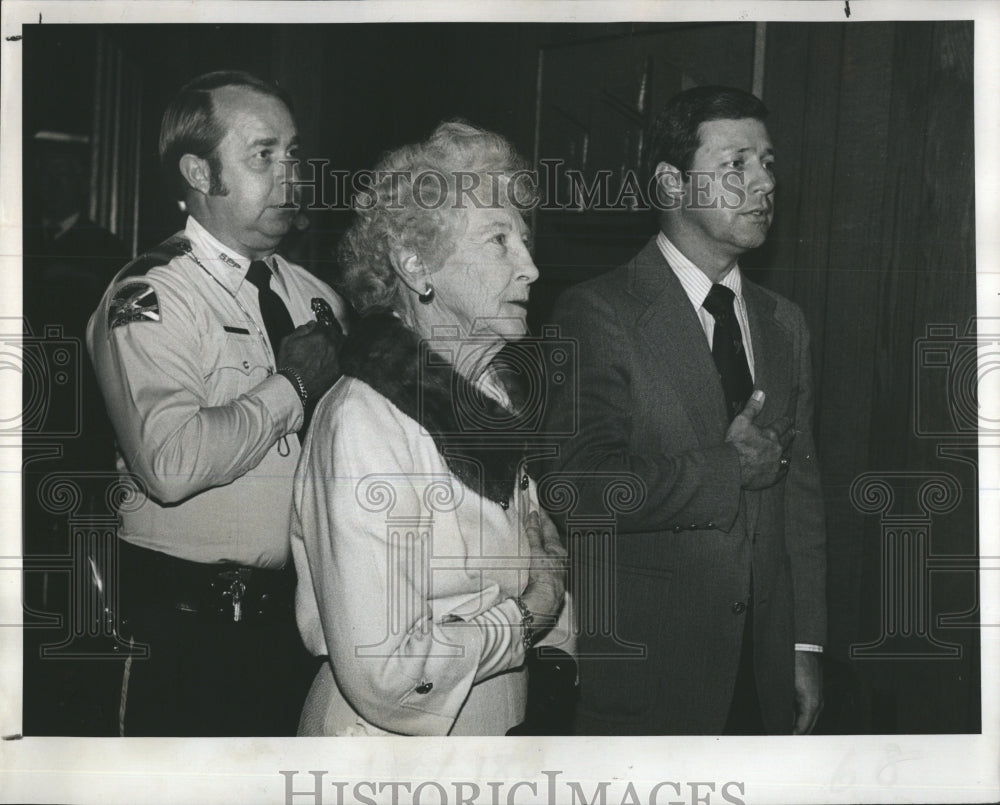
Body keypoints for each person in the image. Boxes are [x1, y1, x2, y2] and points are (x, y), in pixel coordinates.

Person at [542, 86, 826, 735]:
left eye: (769, 164)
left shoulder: (786, 325)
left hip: (762, 679)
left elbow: (803, 501)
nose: (762, 184)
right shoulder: (599, 313)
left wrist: (805, 646)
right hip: (654, 682)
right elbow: (582, 487)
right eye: (736, 165)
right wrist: (728, 468)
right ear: (671, 182)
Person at [86, 70, 348, 736]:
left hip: (294, 626)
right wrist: (291, 387)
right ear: (199, 174)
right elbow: (169, 462)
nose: (291, 175)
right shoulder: (150, 295)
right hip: (182, 633)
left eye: (293, 154)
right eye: (264, 155)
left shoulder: (316, 297)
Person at [292, 121, 570, 736]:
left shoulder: (491, 395)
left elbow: (539, 554)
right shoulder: (363, 422)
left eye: (523, 239)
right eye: (499, 240)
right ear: (417, 265)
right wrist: (528, 619)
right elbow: (387, 673)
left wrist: (551, 640)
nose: (531, 268)